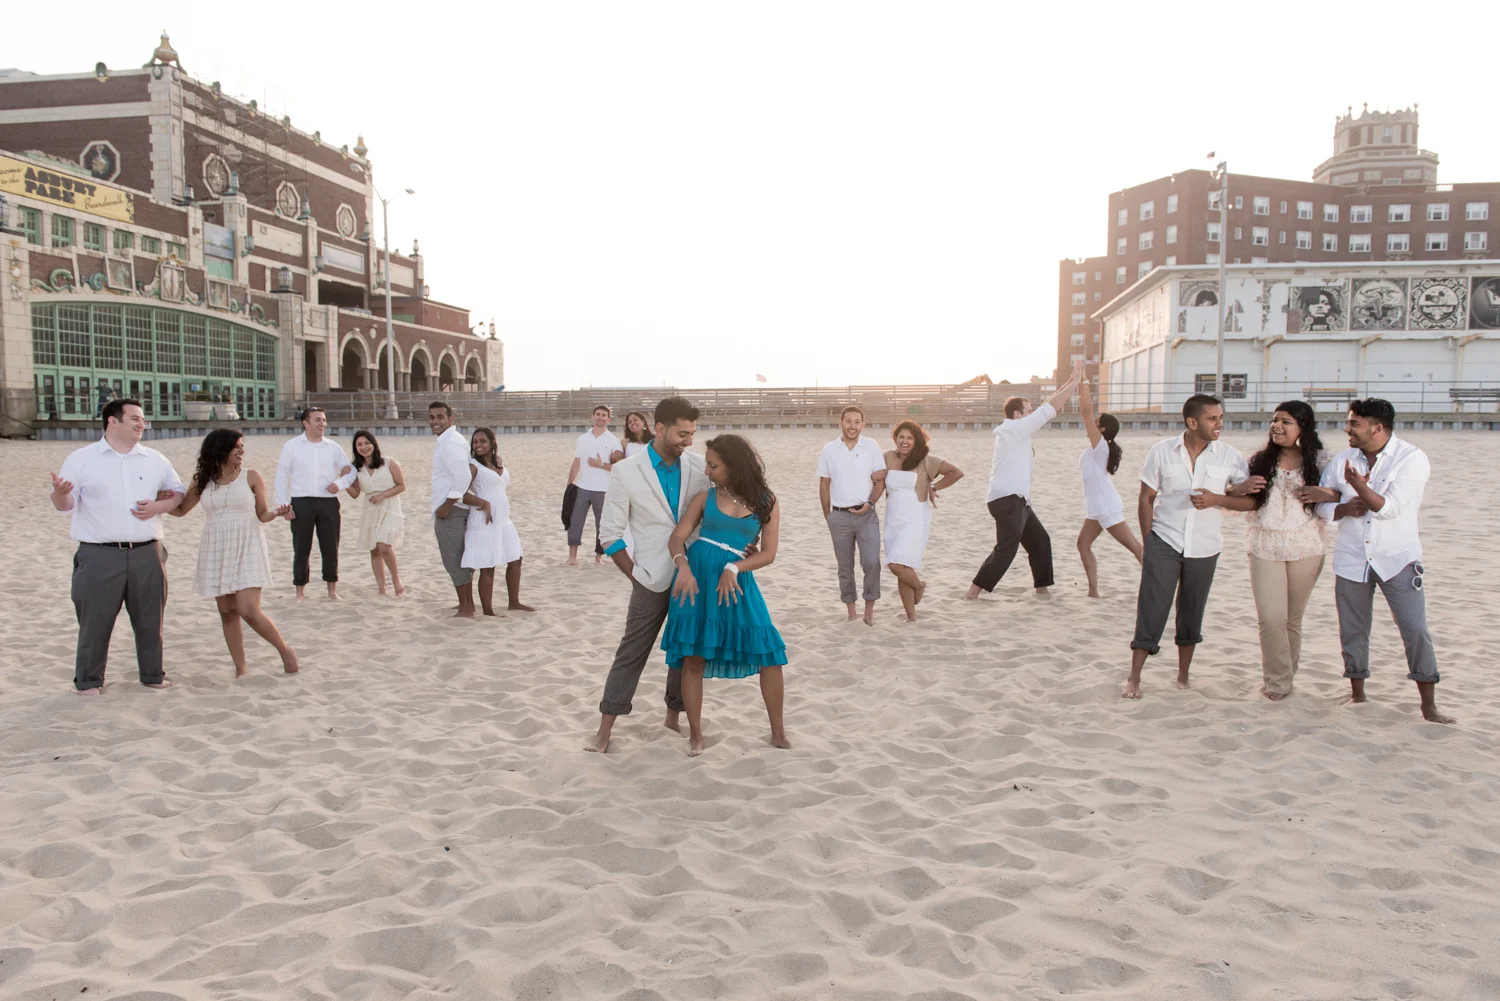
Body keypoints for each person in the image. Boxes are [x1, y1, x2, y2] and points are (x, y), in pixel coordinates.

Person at [1305, 399, 1454, 724]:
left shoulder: (1411, 459)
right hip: (1351, 558)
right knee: (1353, 630)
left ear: (1377, 427)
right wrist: (1343, 507)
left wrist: (1358, 487)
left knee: (1414, 629)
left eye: (1354, 423)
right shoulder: (1342, 460)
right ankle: (1358, 694)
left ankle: (1428, 705)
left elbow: (1388, 508)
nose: (1347, 429)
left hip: (1397, 558)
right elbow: (1319, 504)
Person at [584, 397, 707, 753]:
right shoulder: (626, 471)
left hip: (692, 575)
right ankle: (605, 729)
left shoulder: (700, 468)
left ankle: (673, 716)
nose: (689, 440)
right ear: (660, 429)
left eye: (693, 433)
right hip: (649, 575)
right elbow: (609, 533)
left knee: (683, 651)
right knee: (631, 651)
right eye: (683, 433)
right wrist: (634, 574)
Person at [1122, 394, 1257, 699]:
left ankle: (1183, 675)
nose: (1220, 424)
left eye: (1221, 417)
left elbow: (1248, 501)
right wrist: (1148, 542)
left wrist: (1217, 499)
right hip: (1164, 541)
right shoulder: (1161, 451)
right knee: (1152, 608)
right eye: (1213, 418)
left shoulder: (1229, 456)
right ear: (1192, 422)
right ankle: (1134, 677)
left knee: (1192, 611)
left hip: (1206, 547)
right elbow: (1146, 498)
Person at [662, 434, 789, 755]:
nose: (707, 471)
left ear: (733, 466)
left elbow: (769, 553)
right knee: (692, 658)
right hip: (697, 580)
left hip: (735, 581)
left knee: (770, 653)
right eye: (707, 464)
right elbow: (677, 538)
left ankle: (778, 732)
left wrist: (735, 567)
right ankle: (695, 735)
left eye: (713, 465)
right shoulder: (705, 498)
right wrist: (683, 566)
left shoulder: (767, 501)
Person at [49, 398, 185, 694]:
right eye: (135, 418)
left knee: (151, 620)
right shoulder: (82, 458)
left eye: (143, 419)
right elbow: (65, 504)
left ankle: (152, 676)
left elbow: (178, 495)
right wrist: (59, 493)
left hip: (148, 552)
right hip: (99, 554)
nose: (142, 424)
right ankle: (88, 681)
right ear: (113, 421)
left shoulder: (155, 459)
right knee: (94, 622)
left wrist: (157, 506)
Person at [170, 429, 299, 678]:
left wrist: (276, 513)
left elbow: (262, 514)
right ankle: (240, 668)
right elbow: (181, 510)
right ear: (219, 449)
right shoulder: (202, 479)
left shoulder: (252, 476)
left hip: (247, 543)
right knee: (227, 611)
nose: (241, 450)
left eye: (242, 446)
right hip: (216, 546)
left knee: (248, 609)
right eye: (235, 446)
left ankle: (284, 650)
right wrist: (158, 502)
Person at [966, 362, 1084, 601]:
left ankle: (1042, 588)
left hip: (1019, 500)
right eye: (1028, 411)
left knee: (1040, 540)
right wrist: (1074, 383)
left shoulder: (1018, 432)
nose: (1032, 414)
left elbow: (1046, 406)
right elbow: (1049, 408)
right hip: (1008, 499)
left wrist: (1070, 381)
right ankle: (973, 592)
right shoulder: (1014, 429)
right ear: (1017, 414)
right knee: (1006, 548)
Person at [1242, 401, 1329, 701]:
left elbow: (1344, 493)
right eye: (1274, 420)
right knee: (1270, 617)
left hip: (1306, 546)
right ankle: (1277, 681)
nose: (1277, 426)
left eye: (1286, 421)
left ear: (1302, 428)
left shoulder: (1322, 461)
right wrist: (1238, 488)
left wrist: (1325, 492)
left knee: (1293, 618)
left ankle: (1286, 676)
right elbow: (1245, 498)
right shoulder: (1260, 460)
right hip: (1265, 544)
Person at [882, 421, 964, 621]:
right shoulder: (887, 457)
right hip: (893, 520)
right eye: (901, 437)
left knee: (896, 565)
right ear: (895, 438)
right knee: (904, 567)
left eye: (910, 438)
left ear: (916, 440)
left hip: (915, 519)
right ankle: (911, 616)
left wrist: (934, 487)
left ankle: (919, 587)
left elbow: (956, 472)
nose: (905, 441)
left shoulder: (927, 461)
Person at [273, 407, 356, 601]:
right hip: (301, 502)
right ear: (306, 423)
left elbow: (349, 470)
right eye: (318, 420)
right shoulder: (291, 446)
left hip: (328, 502)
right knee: (301, 548)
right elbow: (281, 477)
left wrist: (339, 484)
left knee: (330, 546)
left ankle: (331, 590)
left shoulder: (333, 447)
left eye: (324, 420)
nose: (322, 424)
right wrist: (283, 506)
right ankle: (300, 591)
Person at [817, 405, 886, 625]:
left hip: (866, 515)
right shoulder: (829, 449)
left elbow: (880, 479)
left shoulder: (871, 446)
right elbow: (824, 483)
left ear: (862, 425)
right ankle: (851, 610)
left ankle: (869, 611)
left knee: (871, 562)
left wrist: (870, 503)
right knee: (844, 566)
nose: (852, 426)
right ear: (841, 423)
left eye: (857, 422)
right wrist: (828, 515)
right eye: (848, 421)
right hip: (838, 516)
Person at [1075, 376, 1143, 598]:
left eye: (1097, 421)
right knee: (1083, 545)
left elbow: (1085, 411)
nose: (1092, 421)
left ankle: (1161, 582)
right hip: (1096, 507)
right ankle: (1093, 592)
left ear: (1102, 429)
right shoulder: (1099, 447)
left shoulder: (1101, 446)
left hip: (1105, 506)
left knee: (1134, 547)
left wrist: (1082, 381)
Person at [462, 427, 534, 615]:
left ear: (493, 443)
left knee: (516, 559)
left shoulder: (499, 465)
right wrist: (483, 503)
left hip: (503, 521)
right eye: (475, 442)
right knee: (488, 566)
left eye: (482, 441)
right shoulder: (473, 466)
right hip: (483, 522)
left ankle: (514, 602)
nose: (478, 445)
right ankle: (488, 611)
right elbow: (460, 494)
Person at [429, 401, 475, 618]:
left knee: (453, 560)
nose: (435, 422)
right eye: (432, 417)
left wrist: (447, 505)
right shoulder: (448, 440)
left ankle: (466, 607)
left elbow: (464, 475)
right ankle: (465, 603)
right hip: (455, 507)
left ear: (451, 419)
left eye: (440, 417)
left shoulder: (450, 442)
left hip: (453, 509)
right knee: (458, 558)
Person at [347, 430, 406, 596]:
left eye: (367, 443)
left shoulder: (389, 462)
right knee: (374, 549)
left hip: (390, 507)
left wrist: (382, 495)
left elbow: (402, 485)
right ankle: (381, 587)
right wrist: (344, 481)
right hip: (370, 510)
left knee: (384, 546)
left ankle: (395, 579)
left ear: (373, 444)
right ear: (355, 448)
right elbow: (355, 493)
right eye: (359, 444)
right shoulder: (357, 469)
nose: (364, 447)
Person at [566, 404, 622, 565]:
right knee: (575, 522)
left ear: (608, 419)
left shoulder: (613, 441)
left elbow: (617, 467)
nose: (600, 417)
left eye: (604, 415)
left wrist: (601, 464)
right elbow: (577, 462)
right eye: (597, 414)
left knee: (601, 525)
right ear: (592, 417)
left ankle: (599, 557)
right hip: (583, 488)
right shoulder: (582, 439)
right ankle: (572, 557)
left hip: (603, 490)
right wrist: (569, 483)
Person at [610, 410, 654, 557]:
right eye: (629, 422)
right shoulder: (625, 443)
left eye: (635, 420)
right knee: (631, 519)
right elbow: (616, 461)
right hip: (631, 485)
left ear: (643, 423)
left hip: (652, 484)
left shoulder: (655, 441)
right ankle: (631, 552)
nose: (632, 423)